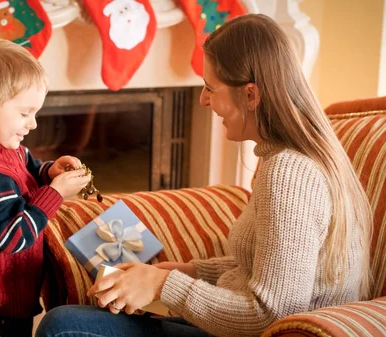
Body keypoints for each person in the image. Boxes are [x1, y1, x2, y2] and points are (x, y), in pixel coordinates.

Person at [35, 13, 373, 337]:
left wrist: (164, 286)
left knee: (63, 325)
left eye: (211, 87)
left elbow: (271, 315)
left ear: (251, 94)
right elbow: (261, 267)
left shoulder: (289, 173)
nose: (202, 99)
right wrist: (187, 272)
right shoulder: (287, 159)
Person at [0, 37, 92, 337]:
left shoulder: (5, 147)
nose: (34, 124)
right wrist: (54, 194)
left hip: (17, 299)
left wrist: (49, 171)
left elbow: (26, 170)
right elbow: (13, 237)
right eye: (25, 113)